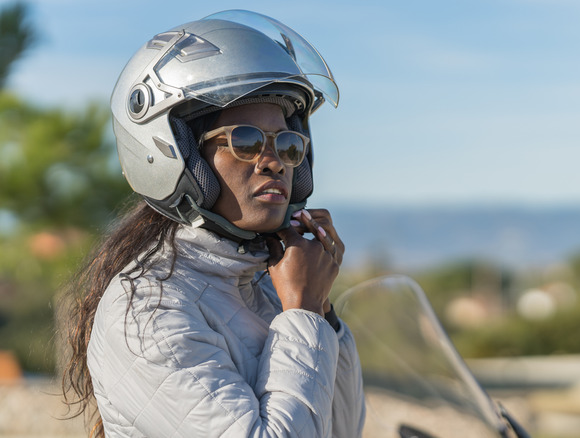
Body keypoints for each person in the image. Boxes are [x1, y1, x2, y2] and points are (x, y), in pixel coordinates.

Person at [62, 10, 365, 437]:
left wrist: (322, 314)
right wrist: (302, 314)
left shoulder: (266, 284)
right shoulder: (149, 311)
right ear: (177, 154)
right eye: (246, 141)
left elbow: (344, 429)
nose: (275, 162)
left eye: (289, 143)